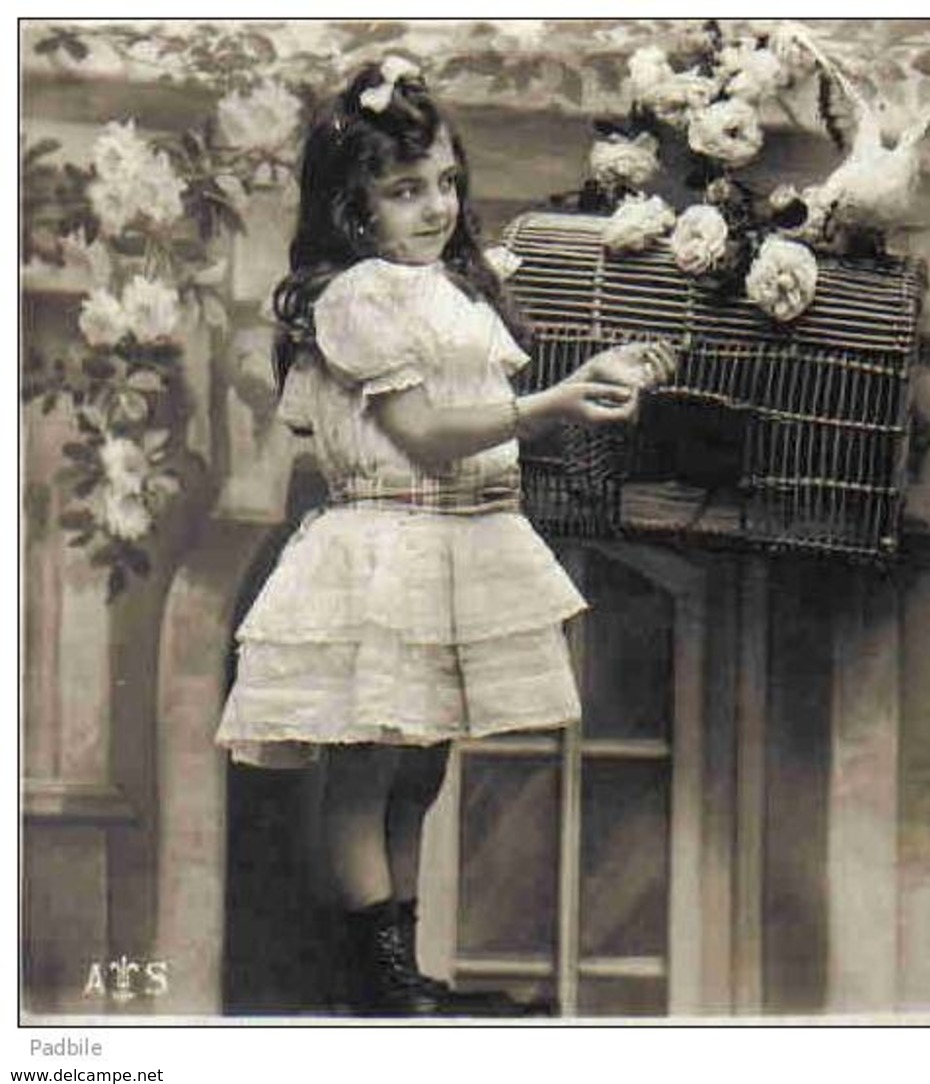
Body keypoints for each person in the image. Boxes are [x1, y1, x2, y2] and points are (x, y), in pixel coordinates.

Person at [214, 58, 676, 1016]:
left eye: (447, 183)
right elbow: (423, 434)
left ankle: (403, 962)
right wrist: (549, 404)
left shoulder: (454, 295)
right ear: (353, 208)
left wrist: (599, 373)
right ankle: (371, 970)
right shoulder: (357, 297)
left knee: (419, 770)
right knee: (368, 761)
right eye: (404, 190)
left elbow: (478, 413)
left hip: (460, 538)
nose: (435, 207)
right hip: (386, 545)